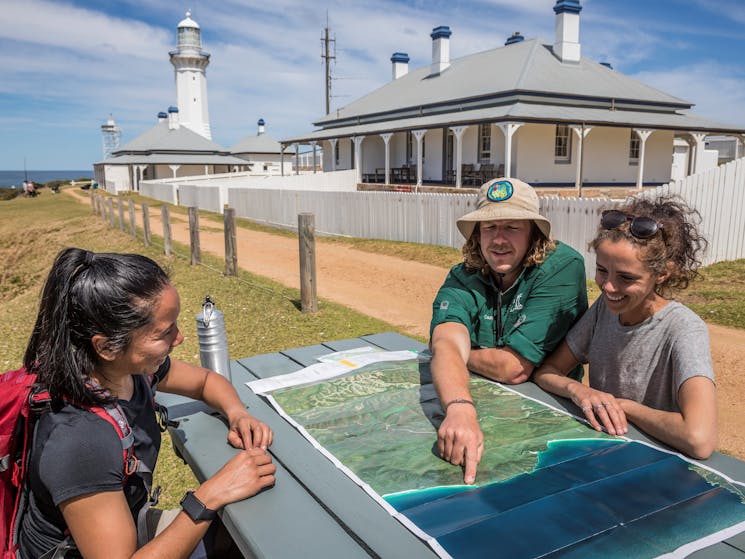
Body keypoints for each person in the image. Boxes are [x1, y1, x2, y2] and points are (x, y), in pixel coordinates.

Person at [18, 248, 276, 558]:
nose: (179, 338)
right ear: (108, 346)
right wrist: (208, 496)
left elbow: (206, 381)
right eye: (165, 332)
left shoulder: (130, 372)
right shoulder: (81, 442)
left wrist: (237, 414)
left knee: (247, 533)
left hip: (128, 527)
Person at [533, 196, 717, 460]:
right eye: (601, 270)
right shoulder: (604, 310)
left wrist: (623, 407)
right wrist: (581, 391)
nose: (608, 287)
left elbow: (699, 438)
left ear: (662, 273)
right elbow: (547, 372)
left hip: (655, 466)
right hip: (610, 453)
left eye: (626, 278)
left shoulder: (684, 329)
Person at [430, 177, 588, 484]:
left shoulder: (562, 267)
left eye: (512, 227)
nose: (498, 239)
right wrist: (459, 407)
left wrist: (458, 355)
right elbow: (447, 339)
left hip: (550, 421)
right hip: (479, 407)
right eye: (489, 228)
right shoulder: (464, 275)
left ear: (534, 234)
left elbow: (512, 368)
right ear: (477, 235)